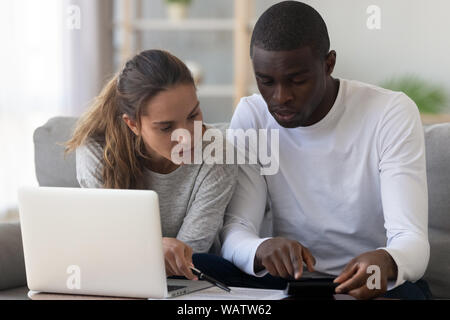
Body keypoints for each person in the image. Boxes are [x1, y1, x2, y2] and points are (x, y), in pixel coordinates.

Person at [219, 1, 432, 300]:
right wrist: (260, 248)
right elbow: (236, 228)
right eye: (266, 81)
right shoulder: (252, 115)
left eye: (297, 80)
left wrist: (386, 261)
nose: (281, 97)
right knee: (198, 268)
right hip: (286, 281)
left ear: (328, 64)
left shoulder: (389, 112)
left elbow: (412, 240)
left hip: (369, 283)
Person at [65, 49, 238, 281]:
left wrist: (140, 251)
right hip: (118, 281)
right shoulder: (98, 153)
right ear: (133, 124)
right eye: (166, 127)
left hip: (191, 284)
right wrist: (151, 250)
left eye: (193, 115)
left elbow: (187, 258)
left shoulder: (218, 154)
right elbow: (108, 247)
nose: (186, 136)